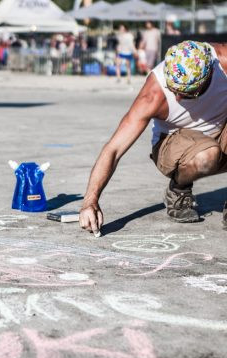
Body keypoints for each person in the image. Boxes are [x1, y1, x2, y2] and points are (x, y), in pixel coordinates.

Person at [79, 41, 227, 234]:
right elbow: (113, 149)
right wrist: (90, 201)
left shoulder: (222, 63)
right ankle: (179, 189)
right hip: (174, 142)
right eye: (174, 90)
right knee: (206, 154)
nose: (178, 99)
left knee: (211, 149)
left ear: (208, 76)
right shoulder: (153, 94)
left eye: (187, 94)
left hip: (220, 129)